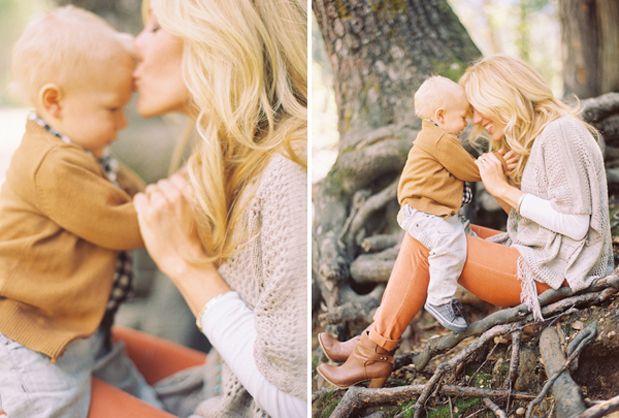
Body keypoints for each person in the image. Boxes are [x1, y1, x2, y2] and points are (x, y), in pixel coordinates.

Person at [316, 55, 613, 389]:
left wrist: (501, 187)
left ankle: (373, 350)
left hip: (558, 273)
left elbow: (574, 224)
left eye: (478, 107)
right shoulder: (546, 135)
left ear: (503, 95)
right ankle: (372, 345)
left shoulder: (560, 133)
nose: (475, 120)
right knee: (430, 229)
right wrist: (503, 183)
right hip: (546, 257)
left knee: (428, 238)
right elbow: (527, 218)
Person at [93, 1, 307, 417]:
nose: (135, 48)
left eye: (155, 28)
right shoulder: (227, 165)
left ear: (215, 35)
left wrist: (187, 265)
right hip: (223, 387)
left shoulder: (288, 167)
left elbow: (296, 401)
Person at [0, 6, 162, 417]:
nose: (122, 123)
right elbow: (120, 225)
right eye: (112, 109)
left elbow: (135, 193)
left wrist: (156, 197)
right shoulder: (52, 164)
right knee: (53, 406)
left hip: (77, 330)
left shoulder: (85, 154)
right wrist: (169, 213)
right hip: (29, 335)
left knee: (142, 396)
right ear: (54, 101)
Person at [394, 75, 480, 333]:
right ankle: (439, 301)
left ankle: (472, 240)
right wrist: (492, 168)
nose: (466, 123)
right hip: (421, 210)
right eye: (463, 117)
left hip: (428, 209)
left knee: (456, 233)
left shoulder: (433, 136)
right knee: (447, 243)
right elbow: (468, 170)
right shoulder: (441, 140)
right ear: (441, 116)